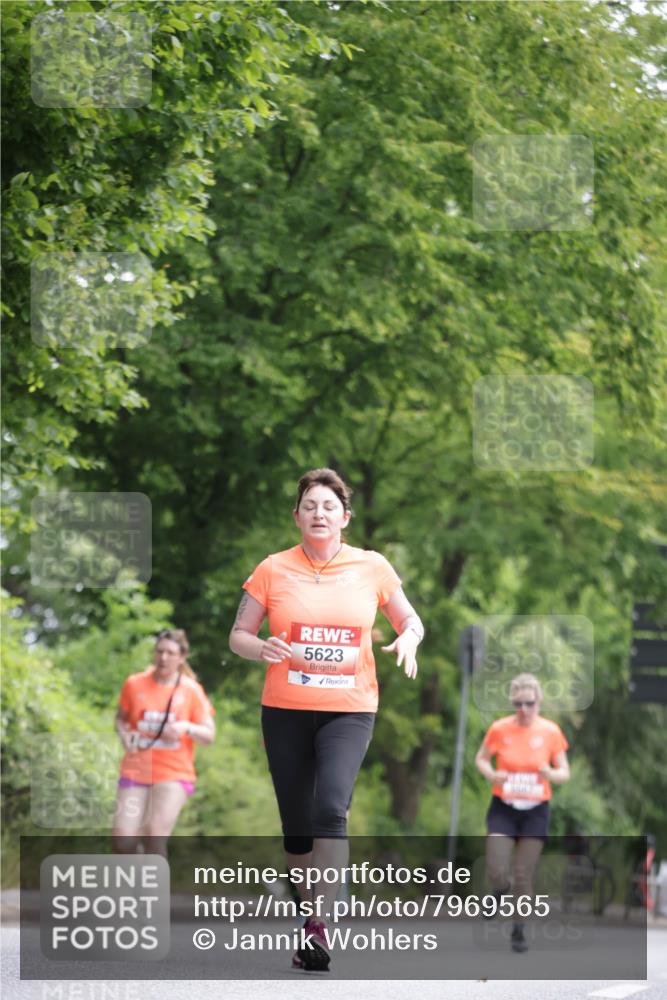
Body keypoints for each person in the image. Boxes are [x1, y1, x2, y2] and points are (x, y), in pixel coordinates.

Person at [229, 468, 424, 971]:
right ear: (296, 517)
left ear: (345, 518)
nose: (319, 513)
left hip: (349, 709)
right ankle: (307, 910)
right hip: (285, 710)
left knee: (332, 809)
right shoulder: (272, 568)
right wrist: (260, 647)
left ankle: (319, 925)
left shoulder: (372, 566)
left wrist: (408, 637)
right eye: (310, 506)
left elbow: (409, 619)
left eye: (329, 506)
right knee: (296, 828)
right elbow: (238, 635)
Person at [474, 672, 570, 953]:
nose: (524, 709)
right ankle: (499, 889)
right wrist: (492, 774)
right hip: (504, 807)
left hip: (535, 810)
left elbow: (565, 772)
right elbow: (481, 759)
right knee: (496, 867)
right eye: (518, 704)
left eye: (529, 703)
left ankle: (519, 930)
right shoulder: (500, 728)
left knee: (524, 874)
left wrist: (550, 773)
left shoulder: (550, 732)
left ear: (539, 702)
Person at [112, 628, 215, 857]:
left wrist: (185, 727)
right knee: (122, 842)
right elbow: (120, 719)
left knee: (154, 835)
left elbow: (209, 734)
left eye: (170, 653)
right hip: (136, 769)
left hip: (174, 772)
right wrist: (125, 735)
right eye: (159, 651)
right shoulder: (134, 684)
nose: (163, 658)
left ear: (182, 657)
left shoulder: (191, 690)